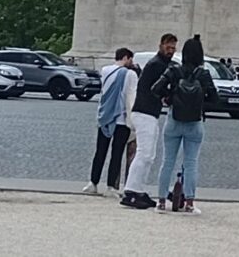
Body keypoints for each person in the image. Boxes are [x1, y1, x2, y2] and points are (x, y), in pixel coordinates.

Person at [152, 35, 217, 214]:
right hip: (194, 122)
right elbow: (215, 99)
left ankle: (161, 202)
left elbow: (155, 89)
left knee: (167, 161)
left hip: (174, 119)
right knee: (191, 163)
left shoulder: (174, 70)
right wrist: (200, 105)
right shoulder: (203, 74)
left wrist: (169, 98)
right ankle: (189, 203)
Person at [122, 32, 177, 210]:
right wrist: (168, 96)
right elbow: (156, 88)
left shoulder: (159, 64)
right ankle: (131, 191)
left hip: (147, 112)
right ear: (161, 45)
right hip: (145, 112)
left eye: (173, 48)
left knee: (148, 154)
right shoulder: (157, 65)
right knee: (145, 153)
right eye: (168, 47)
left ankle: (137, 189)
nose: (171, 51)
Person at [84, 48, 138, 197]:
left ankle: (93, 183)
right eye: (131, 59)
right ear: (126, 58)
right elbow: (130, 97)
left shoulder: (105, 70)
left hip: (105, 116)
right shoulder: (130, 74)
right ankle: (111, 187)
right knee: (117, 153)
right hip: (121, 118)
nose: (132, 63)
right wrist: (133, 120)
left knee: (100, 151)